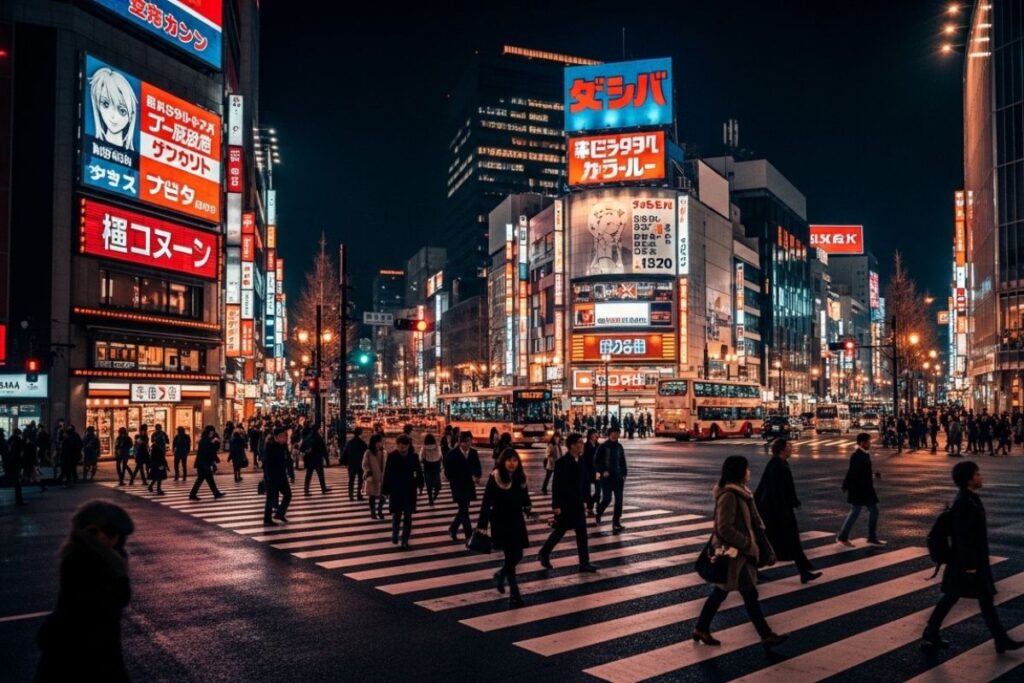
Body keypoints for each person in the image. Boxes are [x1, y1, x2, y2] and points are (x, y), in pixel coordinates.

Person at [922, 461, 1024, 652]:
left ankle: (999, 639)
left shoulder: (968, 499)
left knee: (971, 599)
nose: (981, 477)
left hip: (969, 562)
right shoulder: (965, 503)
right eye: (977, 474)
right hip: (967, 563)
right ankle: (1000, 639)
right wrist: (970, 565)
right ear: (969, 479)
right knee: (960, 598)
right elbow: (964, 537)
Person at [692, 455, 788, 650]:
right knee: (727, 591)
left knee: (741, 593)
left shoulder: (742, 492)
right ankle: (765, 635)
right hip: (734, 554)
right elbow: (723, 527)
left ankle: (703, 628)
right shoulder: (729, 495)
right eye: (747, 468)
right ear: (739, 471)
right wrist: (746, 543)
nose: (749, 472)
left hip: (740, 555)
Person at [36, 500, 134, 681]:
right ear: (90, 531)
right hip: (78, 647)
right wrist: (119, 570)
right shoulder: (82, 559)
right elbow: (115, 599)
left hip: (95, 643)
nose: (113, 539)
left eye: (118, 534)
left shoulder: (108, 555)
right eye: (110, 531)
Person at [754, 438, 821, 583]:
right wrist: (784, 510)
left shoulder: (780, 463)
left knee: (786, 541)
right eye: (789, 446)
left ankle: (804, 572)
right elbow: (774, 491)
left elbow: (785, 489)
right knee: (777, 541)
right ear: (782, 449)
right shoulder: (776, 466)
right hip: (776, 512)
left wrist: (794, 502)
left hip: (779, 510)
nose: (792, 448)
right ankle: (753, 569)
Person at [477, 448, 534, 608]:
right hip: (501, 520)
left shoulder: (520, 477)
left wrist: (528, 507)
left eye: (515, 460)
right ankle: (514, 595)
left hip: (516, 519)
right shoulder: (496, 477)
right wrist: (482, 524)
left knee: (518, 554)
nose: (512, 463)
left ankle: (501, 574)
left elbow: (525, 496)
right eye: (509, 460)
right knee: (510, 555)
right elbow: (487, 501)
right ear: (503, 461)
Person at [538, 433, 598, 573]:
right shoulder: (562, 463)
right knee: (560, 531)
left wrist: (588, 501)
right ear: (571, 445)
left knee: (582, 534)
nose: (582, 445)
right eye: (579, 443)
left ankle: (584, 563)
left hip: (578, 504)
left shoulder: (582, 461)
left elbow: (584, 483)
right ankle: (544, 553)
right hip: (566, 504)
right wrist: (556, 505)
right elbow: (556, 486)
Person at [837, 433, 885, 547]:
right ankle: (843, 536)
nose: (870, 443)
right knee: (856, 512)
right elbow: (853, 473)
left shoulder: (864, 454)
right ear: (862, 443)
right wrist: (846, 485)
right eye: (868, 441)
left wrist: (873, 474)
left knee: (872, 511)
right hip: (859, 490)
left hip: (866, 489)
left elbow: (863, 472)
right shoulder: (857, 455)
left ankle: (871, 537)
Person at [381, 434, 423, 548]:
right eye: (399, 446)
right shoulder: (392, 456)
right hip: (396, 489)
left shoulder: (414, 456)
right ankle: (395, 534)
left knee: (408, 515)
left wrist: (420, 485)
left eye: (404, 446)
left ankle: (405, 539)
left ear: (408, 446)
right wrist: (386, 491)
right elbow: (387, 474)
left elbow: (419, 471)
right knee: (397, 514)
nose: (401, 449)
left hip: (410, 489)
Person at [443, 431, 482, 543]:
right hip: (457, 485)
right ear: (459, 442)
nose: (467, 444)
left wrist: (477, 476)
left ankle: (453, 528)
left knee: (463, 509)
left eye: (468, 441)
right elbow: (447, 470)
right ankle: (469, 535)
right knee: (464, 509)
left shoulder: (473, 452)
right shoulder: (452, 453)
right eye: (464, 442)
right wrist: (453, 480)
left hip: (469, 484)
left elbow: (477, 466)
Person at [594, 426, 628, 531]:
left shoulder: (619, 446)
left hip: (618, 477)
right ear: (610, 434)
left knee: (619, 501)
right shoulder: (603, 446)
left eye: (617, 432)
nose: (616, 434)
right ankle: (598, 512)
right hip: (607, 478)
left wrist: (624, 473)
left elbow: (622, 460)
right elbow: (596, 461)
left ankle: (616, 522)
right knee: (607, 499)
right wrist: (602, 471)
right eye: (614, 432)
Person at [262, 426, 292, 525]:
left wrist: (291, 474)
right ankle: (267, 519)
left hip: (282, 476)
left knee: (288, 494)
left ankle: (280, 513)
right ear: (276, 437)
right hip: (272, 477)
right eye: (282, 436)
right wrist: (268, 477)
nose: (284, 438)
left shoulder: (283, 446)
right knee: (270, 498)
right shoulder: (270, 446)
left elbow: (288, 460)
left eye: (285, 436)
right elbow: (266, 463)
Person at [189, 426, 225, 501]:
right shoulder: (206, 440)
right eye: (212, 432)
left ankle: (216, 493)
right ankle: (193, 494)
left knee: (207, 479)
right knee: (203, 479)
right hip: (204, 463)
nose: (213, 434)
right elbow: (209, 451)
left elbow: (211, 450)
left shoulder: (204, 439)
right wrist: (214, 442)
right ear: (210, 432)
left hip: (203, 463)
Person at [361, 434, 386, 520]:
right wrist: (368, 471)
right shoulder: (368, 452)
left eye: (380, 441)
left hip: (382, 477)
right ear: (374, 443)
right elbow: (364, 464)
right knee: (372, 496)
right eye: (378, 442)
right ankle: (373, 512)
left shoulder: (384, 452)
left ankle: (379, 509)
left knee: (384, 495)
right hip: (373, 477)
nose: (380, 444)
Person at [301, 424, 330, 496]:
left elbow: (302, 448)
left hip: (309, 460)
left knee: (308, 475)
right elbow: (324, 450)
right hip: (317, 459)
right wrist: (327, 461)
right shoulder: (319, 438)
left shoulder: (308, 437)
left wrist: (306, 452)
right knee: (320, 474)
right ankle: (323, 488)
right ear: (317, 430)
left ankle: (306, 490)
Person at [342, 427, 368, 501]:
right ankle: (359, 495)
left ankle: (351, 495)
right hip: (360, 464)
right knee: (360, 480)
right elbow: (366, 454)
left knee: (351, 480)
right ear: (360, 433)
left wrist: (344, 462)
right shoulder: (363, 443)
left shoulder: (350, 442)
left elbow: (345, 452)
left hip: (351, 464)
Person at [420, 433, 443, 505]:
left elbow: (421, 458)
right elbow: (440, 456)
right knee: (438, 485)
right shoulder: (438, 447)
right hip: (436, 468)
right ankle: (435, 495)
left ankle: (430, 499)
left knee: (429, 485)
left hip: (427, 468)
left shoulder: (424, 448)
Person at [582, 429, 600, 515]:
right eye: (594, 434)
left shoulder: (598, 446)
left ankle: (590, 503)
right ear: (590, 435)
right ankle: (589, 508)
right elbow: (583, 459)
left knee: (598, 491)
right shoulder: (585, 446)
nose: (596, 435)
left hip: (597, 472)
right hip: (587, 471)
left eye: (596, 434)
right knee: (587, 491)